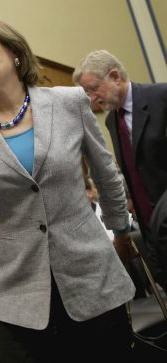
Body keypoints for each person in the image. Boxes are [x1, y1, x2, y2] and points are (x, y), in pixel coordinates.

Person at [0, 17, 135, 362]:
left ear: (15, 53)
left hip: (92, 280)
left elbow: (107, 176)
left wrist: (121, 233)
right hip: (17, 301)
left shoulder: (70, 102)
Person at [73, 49, 167, 288]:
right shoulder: (112, 120)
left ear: (115, 76)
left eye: (94, 89)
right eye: (87, 93)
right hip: (153, 232)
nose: (92, 99)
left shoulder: (161, 96)